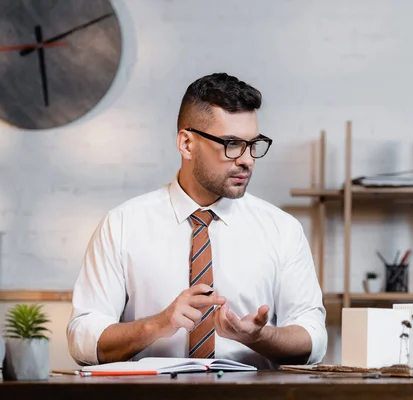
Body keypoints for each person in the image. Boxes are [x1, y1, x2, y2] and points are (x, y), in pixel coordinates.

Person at [67, 73, 327, 369]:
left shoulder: (282, 230)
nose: (247, 160)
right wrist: (157, 325)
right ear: (187, 144)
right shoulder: (122, 225)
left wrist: (258, 336)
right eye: (231, 144)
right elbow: (82, 340)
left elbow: (314, 341)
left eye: (253, 144)